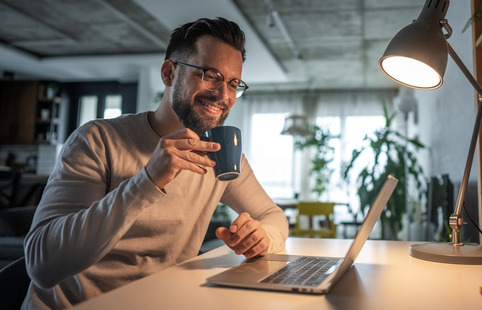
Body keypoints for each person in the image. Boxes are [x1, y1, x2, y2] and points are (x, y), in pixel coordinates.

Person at [21, 17, 289, 309]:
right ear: (169, 73)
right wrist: (146, 181)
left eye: (233, 83)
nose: (223, 94)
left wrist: (263, 237)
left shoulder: (220, 152)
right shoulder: (96, 140)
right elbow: (41, 264)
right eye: (210, 75)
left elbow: (272, 215)